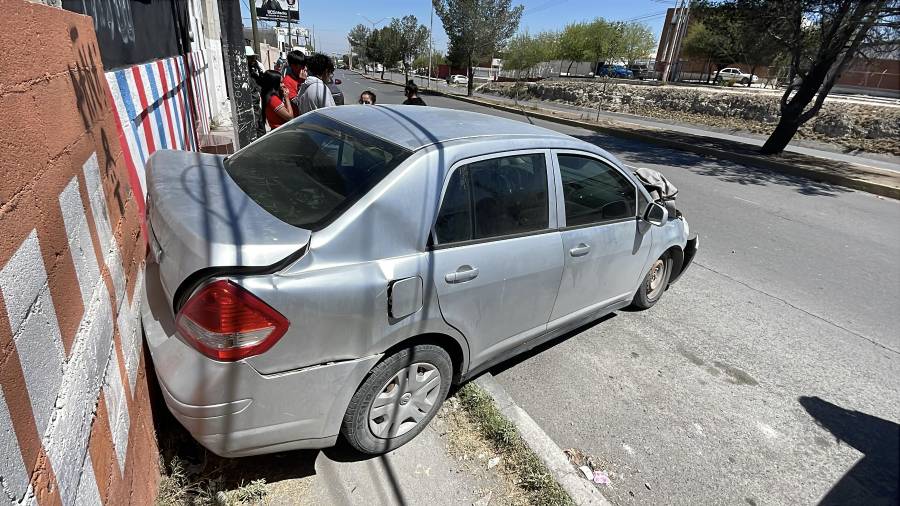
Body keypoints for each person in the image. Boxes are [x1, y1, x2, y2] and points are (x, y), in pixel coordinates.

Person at [283, 50, 307, 117]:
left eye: (305, 65)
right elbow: (297, 102)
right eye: (302, 66)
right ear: (293, 66)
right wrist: (302, 83)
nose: (305, 68)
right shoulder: (287, 81)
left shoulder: (305, 78)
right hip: (297, 118)